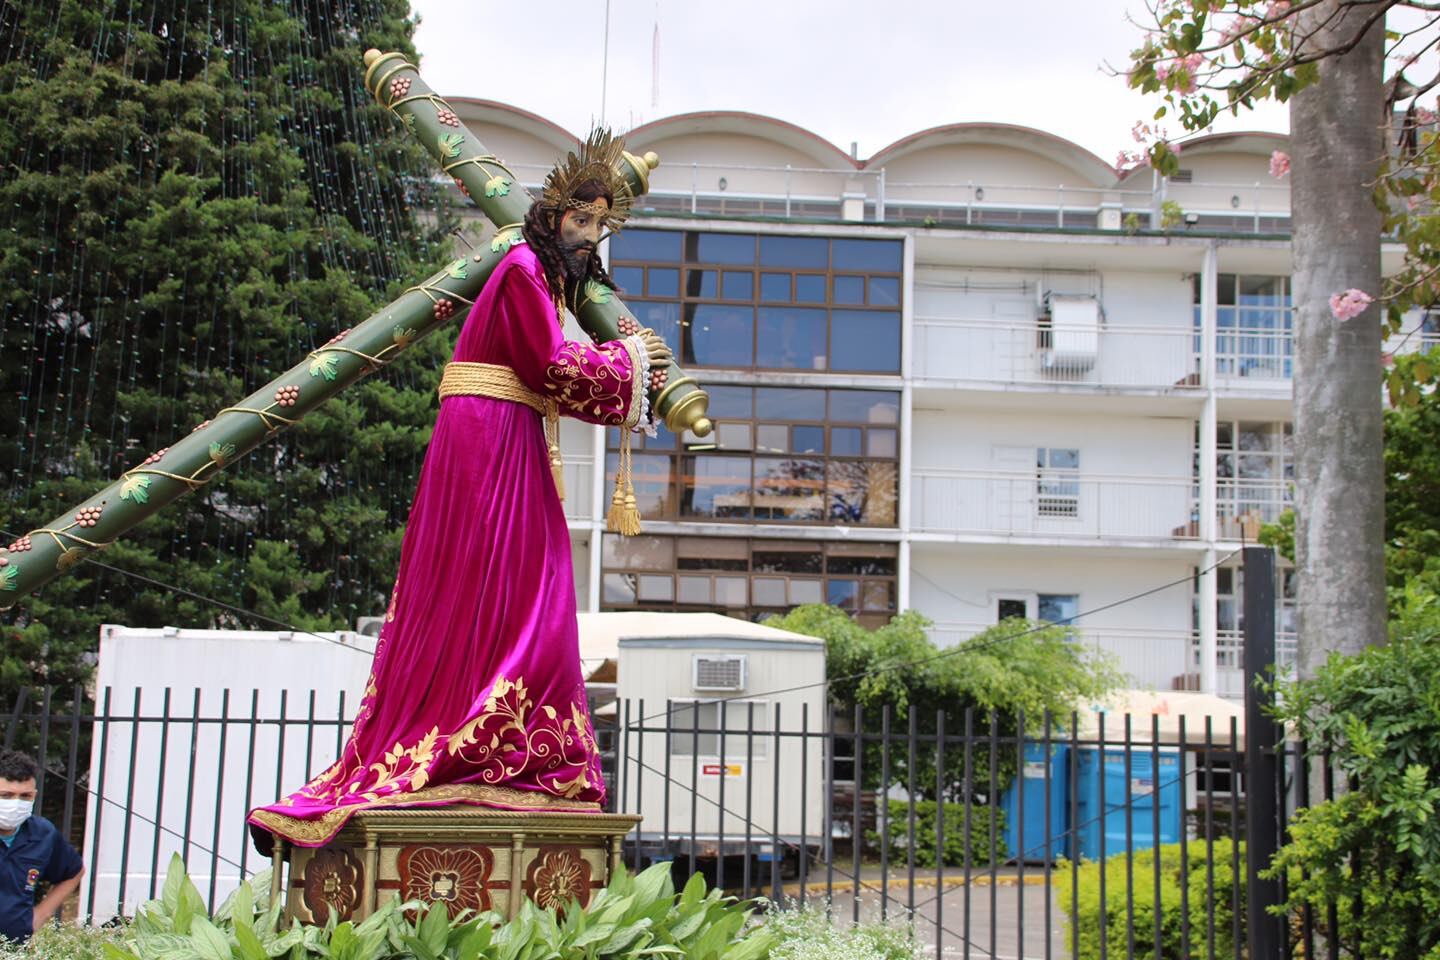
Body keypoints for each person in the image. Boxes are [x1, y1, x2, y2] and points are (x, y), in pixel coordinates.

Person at [249, 129, 671, 849]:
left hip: (505, 437)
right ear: (551, 215)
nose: (589, 236)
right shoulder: (517, 271)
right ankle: (485, 743)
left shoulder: (538, 280)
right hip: (490, 443)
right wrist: (631, 358)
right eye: (581, 219)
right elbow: (551, 365)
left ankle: (506, 746)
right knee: (523, 589)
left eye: (602, 224)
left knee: (520, 590)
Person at [0, 750, 84, 944]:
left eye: (25, 796)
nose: (16, 803)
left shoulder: (42, 834)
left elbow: (73, 872)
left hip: (15, 948)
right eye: (6, 795)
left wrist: (40, 915)